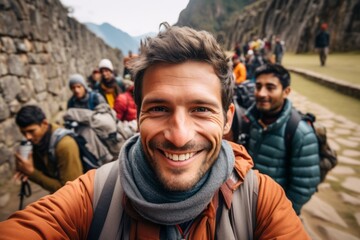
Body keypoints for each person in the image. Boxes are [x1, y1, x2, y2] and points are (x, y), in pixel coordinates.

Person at [0, 23, 310, 239]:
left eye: (201, 109)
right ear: (138, 116)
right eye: (159, 108)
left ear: (228, 119)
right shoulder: (95, 195)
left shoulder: (260, 201)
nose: (178, 135)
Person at [242, 63, 320, 215]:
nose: (261, 93)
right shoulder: (249, 119)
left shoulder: (300, 132)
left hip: (273, 212)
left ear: (286, 91)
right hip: (246, 203)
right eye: (258, 86)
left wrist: (281, 216)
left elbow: (303, 186)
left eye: (270, 88)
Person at [13, 105, 83, 193]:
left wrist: (32, 173)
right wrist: (24, 167)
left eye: (31, 131)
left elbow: (71, 191)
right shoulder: (38, 140)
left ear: (45, 124)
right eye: (23, 132)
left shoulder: (65, 145)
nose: (28, 137)